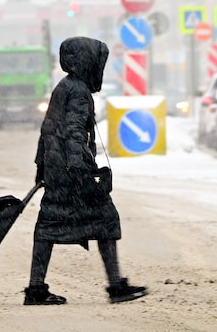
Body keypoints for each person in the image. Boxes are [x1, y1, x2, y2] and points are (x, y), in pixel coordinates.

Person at [25, 36, 148, 306]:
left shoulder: (64, 86)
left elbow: (47, 130)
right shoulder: (78, 91)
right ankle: (115, 285)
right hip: (72, 172)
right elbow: (73, 131)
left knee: (48, 226)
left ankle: (36, 288)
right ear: (85, 61)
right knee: (106, 220)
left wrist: (42, 166)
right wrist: (80, 168)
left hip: (58, 171)